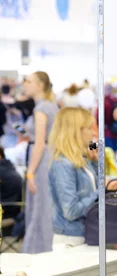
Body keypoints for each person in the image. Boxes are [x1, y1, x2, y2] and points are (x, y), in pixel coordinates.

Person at [48, 108, 117, 250]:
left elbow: (94, 189)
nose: (93, 133)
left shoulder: (82, 160)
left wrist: (95, 161)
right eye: (88, 128)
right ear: (76, 132)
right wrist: (102, 190)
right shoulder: (63, 164)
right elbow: (71, 211)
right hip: (71, 240)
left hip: (86, 234)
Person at [21, 71, 59, 254]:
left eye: (29, 81)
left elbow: (40, 143)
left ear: (40, 85)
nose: (25, 84)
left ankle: (38, 250)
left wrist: (30, 172)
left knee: (40, 207)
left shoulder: (41, 109)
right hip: (48, 159)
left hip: (41, 161)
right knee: (44, 206)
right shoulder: (50, 106)